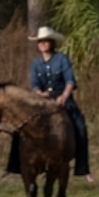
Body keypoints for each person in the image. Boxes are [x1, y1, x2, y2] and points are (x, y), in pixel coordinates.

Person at [29, 25, 90, 177]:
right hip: (42, 99)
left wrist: (64, 96)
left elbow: (70, 81)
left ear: (52, 43)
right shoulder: (35, 63)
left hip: (62, 96)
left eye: (45, 41)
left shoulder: (62, 59)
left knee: (80, 125)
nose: (42, 44)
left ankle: (82, 167)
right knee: (22, 126)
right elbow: (35, 85)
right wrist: (38, 93)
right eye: (40, 41)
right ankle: (17, 165)